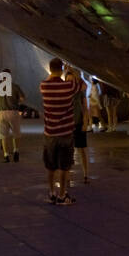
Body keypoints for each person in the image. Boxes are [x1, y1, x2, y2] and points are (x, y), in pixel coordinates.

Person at [40, 59, 80, 205]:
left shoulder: (44, 86)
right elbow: (80, 85)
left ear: (50, 69)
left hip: (50, 133)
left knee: (50, 166)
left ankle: (51, 193)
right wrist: (72, 71)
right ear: (62, 69)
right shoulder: (68, 86)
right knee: (65, 166)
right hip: (66, 132)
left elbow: (49, 79)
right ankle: (62, 195)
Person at [0, 68, 24, 163]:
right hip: (13, 112)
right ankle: (16, 151)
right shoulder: (15, 87)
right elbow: (22, 98)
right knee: (16, 134)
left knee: (3, 135)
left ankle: (6, 155)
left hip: (1, 113)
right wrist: (17, 100)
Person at [67, 69, 91, 184]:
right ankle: (67, 175)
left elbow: (85, 107)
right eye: (68, 80)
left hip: (78, 122)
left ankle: (86, 174)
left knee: (82, 150)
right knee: (68, 151)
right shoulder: (64, 91)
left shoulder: (80, 90)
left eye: (72, 80)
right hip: (67, 124)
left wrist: (86, 122)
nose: (70, 82)